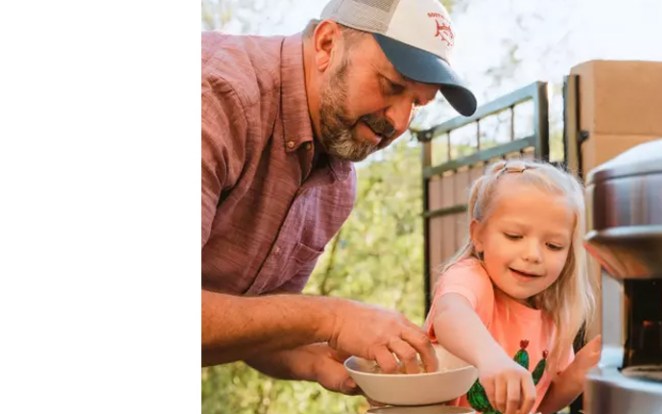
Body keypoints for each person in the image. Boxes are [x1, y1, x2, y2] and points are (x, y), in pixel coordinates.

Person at [201, 0, 479, 390]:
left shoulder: (336, 187)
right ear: (327, 44)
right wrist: (332, 318)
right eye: (392, 85)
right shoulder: (216, 96)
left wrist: (316, 357)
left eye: (415, 103)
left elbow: (250, 320)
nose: (398, 122)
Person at [425, 160, 602, 414]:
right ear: (479, 235)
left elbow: (537, 404)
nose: (532, 255)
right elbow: (450, 313)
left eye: (553, 245)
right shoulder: (470, 277)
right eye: (514, 236)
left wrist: (576, 375)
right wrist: (491, 359)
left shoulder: (553, 318)